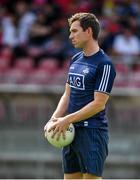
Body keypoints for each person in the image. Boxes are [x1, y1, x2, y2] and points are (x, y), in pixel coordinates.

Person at [44, 12, 116, 179]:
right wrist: (54, 119)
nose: (70, 36)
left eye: (75, 31)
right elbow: (67, 94)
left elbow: (99, 104)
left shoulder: (104, 64)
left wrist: (67, 119)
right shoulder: (75, 59)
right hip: (71, 132)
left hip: (92, 133)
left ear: (89, 31)